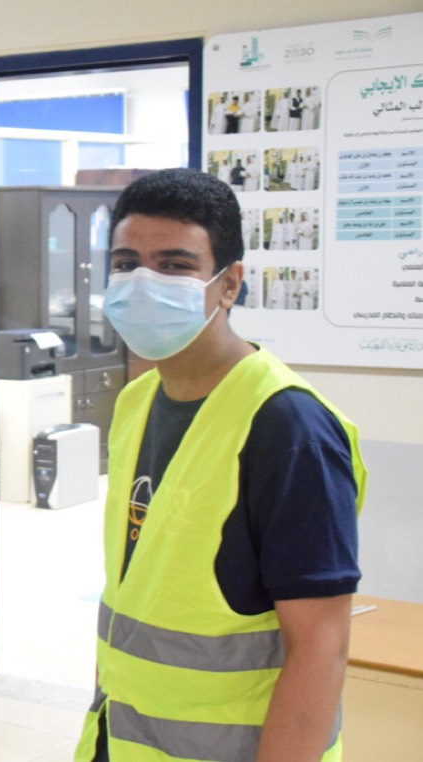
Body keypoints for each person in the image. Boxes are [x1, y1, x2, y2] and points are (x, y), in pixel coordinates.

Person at [75, 168, 366, 761]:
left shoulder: (288, 429)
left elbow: (320, 648)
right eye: (127, 264)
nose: (144, 283)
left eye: (175, 265)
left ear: (229, 284)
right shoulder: (137, 401)